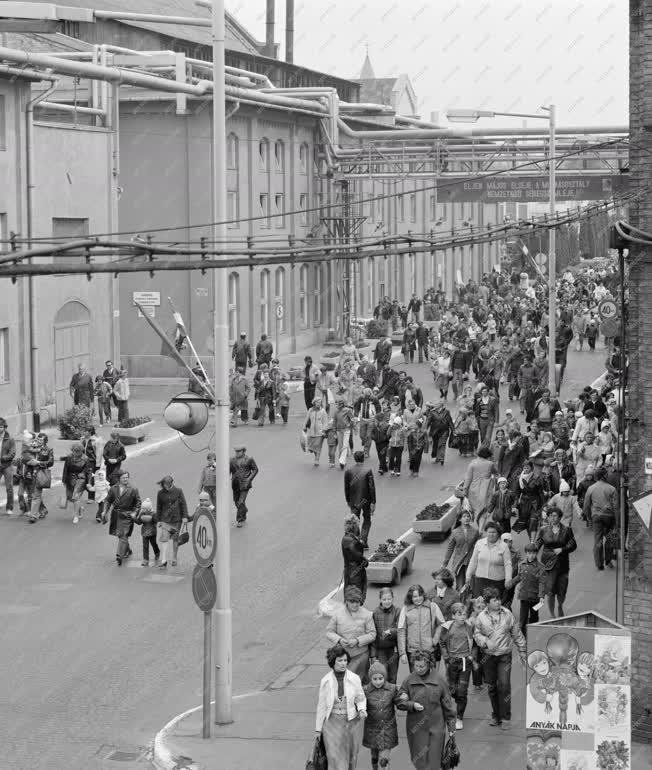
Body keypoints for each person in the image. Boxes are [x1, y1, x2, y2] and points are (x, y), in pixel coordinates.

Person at [472, 586, 526, 731]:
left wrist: (522, 650)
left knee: (504, 685)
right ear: (487, 603)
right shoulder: (481, 617)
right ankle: (496, 715)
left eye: (499, 599)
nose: (498, 602)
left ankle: (506, 717)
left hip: (504, 656)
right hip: (488, 657)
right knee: (492, 687)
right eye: (495, 600)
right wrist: (484, 641)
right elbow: (476, 634)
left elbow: (517, 633)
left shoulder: (508, 614)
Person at [397, 650, 457, 770]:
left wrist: (451, 727)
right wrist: (411, 705)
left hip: (437, 727)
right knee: (420, 760)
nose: (418, 669)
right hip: (416, 728)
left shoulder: (440, 680)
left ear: (429, 664)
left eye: (422, 666)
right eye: (416, 666)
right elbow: (399, 701)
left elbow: (448, 705)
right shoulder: (409, 680)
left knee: (434, 760)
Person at [315, 644, 367, 770]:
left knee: (351, 755)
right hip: (331, 723)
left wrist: (361, 709)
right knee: (333, 756)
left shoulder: (354, 678)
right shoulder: (325, 681)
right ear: (333, 662)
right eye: (340, 660)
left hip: (350, 721)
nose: (343, 663)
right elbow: (321, 705)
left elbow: (360, 697)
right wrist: (318, 729)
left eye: (345, 660)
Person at [326, 586, 376, 683]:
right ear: (347, 601)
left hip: (361, 655)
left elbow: (372, 634)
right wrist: (339, 640)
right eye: (352, 602)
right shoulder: (337, 614)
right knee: (345, 682)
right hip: (343, 656)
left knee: (361, 682)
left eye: (357, 602)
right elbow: (329, 632)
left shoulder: (367, 614)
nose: (355, 605)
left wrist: (357, 641)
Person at [534, 507, 577, 617]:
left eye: (555, 516)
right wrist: (532, 554)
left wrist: (562, 549)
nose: (553, 518)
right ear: (548, 517)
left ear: (560, 517)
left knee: (562, 590)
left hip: (562, 564)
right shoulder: (543, 530)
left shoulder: (567, 530)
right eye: (550, 516)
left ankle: (560, 606)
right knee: (550, 591)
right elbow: (537, 544)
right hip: (548, 565)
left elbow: (573, 545)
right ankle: (552, 614)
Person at [440, 602, 474, 731]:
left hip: (465, 661)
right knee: (451, 689)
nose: (463, 617)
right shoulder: (447, 628)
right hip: (452, 661)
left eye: (465, 614)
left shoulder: (469, 627)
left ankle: (459, 717)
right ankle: (455, 702)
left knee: (462, 691)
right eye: (460, 614)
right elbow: (442, 642)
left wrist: (471, 656)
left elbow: (473, 641)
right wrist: (446, 657)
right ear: (453, 615)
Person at [362, 660, 402, 770]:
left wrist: (409, 703)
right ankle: (374, 766)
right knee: (374, 757)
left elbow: (400, 703)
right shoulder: (365, 690)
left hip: (388, 730)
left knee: (384, 760)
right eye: (375, 679)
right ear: (370, 678)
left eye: (381, 678)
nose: (378, 682)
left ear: (385, 677)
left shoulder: (392, 689)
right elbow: (360, 705)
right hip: (372, 730)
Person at [397, 584, 445, 671]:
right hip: (412, 651)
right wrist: (402, 653)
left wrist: (435, 640)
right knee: (415, 679)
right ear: (410, 597)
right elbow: (401, 631)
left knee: (431, 678)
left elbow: (441, 624)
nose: (418, 598)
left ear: (423, 595)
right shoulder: (405, 609)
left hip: (429, 650)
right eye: (415, 596)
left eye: (420, 595)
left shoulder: (432, 606)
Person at [464, 521, 513, 598]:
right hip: (480, 580)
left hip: (497, 581)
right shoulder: (479, 543)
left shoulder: (504, 546)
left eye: (494, 532)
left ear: (498, 533)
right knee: (480, 603)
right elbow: (473, 561)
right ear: (486, 532)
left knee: (494, 603)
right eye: (489, 532)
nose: (491, 534)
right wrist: (468, 576)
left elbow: (508, 564)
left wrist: (508, 579)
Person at [583, 466, 618, 571]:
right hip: (609, 517)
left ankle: (599, 564)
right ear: (605, 476)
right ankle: (608, 561)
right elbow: (616, 507)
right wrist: (617, 522)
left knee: (598, 540)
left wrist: (589, 517)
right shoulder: (612, 489)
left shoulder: (591, 488)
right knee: (609, 539)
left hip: (596, 517)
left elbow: (586, 506)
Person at [509, 542, 547, 636]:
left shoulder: (541, 567)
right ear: (526, 553)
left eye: (533, 553)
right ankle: (523, 637)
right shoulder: (522, 564)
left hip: (535, 597)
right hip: (524, 596)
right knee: (523, 619)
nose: (531, 555)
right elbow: (519, 576)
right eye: (529, 553)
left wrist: (541, 596)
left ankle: (533, 635)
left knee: (534, 617)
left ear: (536, 554)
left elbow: (542, 582)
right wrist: (511, 583)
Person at [106, 470, 141, 566]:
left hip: (127, 515)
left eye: (127, 477)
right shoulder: (113, 488)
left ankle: (119, 556)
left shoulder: (133, 489)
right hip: (116, 515)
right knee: (121, 536)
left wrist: (134, 513)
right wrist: (104, 512)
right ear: (119, 479)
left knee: (122, 535)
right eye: (123, 478)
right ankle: (127, 550)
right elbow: (108, 501)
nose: (126, 479)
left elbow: (138, 503)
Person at [344, 451, 376, 550]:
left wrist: (348, 501)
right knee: (367, 520)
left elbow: (346, 487)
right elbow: (371, 487)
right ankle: (363, 540)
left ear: (354, 458)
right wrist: (373, 502)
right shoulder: (368, 471)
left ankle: (355, 541)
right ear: (363, 458)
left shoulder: (348, 471)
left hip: (354, 501)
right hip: (366, 500)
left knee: (354, 521)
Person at [442, 509, 480, 591]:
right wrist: (445, 563)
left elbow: (478, 546)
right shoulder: (455, 532)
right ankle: (460, 602)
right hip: (459, 562)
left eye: (468, 516)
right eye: (464, 517)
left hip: (471, 561)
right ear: (460, 519)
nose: (466, 518)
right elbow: (450, 548)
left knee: (470, 586)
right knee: (460, 586)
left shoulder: (475, 532)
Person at [156, 475, 189, 568]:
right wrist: (158, 520)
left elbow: (183, 504)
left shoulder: (178, 491)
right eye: (163, 484)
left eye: (166, 484)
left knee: (175, 538)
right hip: (165, 519)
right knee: (164, 538)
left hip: (176, 519)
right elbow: (158, 507)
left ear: (171, 483)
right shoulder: (160, 493)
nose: (164, 486)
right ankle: (163, 559)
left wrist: (185, 517)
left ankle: (174, 557)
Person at [370, 588, 401, 685]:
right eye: (384, 599)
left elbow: (400, 629)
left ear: (393, 598)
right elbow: (372, 634)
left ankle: (392, 696)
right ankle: (383, 697)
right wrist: (373, 655)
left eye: (389, 599)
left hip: (393, 649)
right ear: (380, 599)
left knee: (393, 675)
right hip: (381, 650)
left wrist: (391, 631)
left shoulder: (397, 611)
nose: (387, 602)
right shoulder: (375, 612)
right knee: (382, 673)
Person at [463, 446, 497, 520]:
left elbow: (468, 478)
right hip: (486, 488)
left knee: (475, 508)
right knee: (483, 509)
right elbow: (495, 472)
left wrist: (465, 490)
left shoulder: (472, 464)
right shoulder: (490, 464)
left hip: (473, 488)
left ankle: (476, 521)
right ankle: (480, 525)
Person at [62, 443, 92, 524]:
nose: (75, 453)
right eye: (74, 451)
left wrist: (89, 482)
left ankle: (75, 516)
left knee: (76, 497)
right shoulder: (69, 457)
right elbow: (65, 469)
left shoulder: (85, 458)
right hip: (70, 478)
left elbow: (89, 471)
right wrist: (64, 480)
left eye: (78, 451)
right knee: (70, 497)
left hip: (80, 479)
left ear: (81, 451)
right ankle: (80, 507)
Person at [229, 445, 258, 527]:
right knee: (236, 501)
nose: (237, 453)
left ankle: (240, 520)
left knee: (241, 502)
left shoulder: (249, 459)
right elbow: (228, 471)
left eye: (239, 451)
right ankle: (244, 510)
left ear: (243, 451)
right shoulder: (231, 460)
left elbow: (255, 470)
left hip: (245, 484)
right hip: (235, 484)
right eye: (236, 451)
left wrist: (249, 479)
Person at [342, 516, 368, 603]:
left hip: (348, 570)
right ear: (355, 527)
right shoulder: (352, 541)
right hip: (356, 572)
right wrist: (365, 562)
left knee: (349, 594)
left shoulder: (345, 538)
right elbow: (357, 556)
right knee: (356, 596)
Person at [354, 388, 381, 459]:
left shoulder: (374, 399)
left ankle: (366, 452)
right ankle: (364, 441)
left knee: (368, 436)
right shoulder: (361, 398)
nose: (366, 396)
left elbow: (378, 409)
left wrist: (377, 418)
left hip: (371, 420)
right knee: (362, 435)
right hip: (362, 419)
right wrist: (356, 416)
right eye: (365, 394)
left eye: (367, 394)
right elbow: (357, 407)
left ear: (370, 393)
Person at [427, 401, 454, 465]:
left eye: (437, 404)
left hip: (444, 431)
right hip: (434, 431)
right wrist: (424, 429)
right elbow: (428, 421)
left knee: (442, 444)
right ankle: (437, 457)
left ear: (441, 406)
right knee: (436, 445)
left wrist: (453, 430)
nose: (435, 405)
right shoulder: (432, 412)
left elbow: (450, 421)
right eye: (435, 404)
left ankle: (441, 458)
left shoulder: (446, 412)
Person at [304, 396, 329, 467]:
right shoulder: (310, 410)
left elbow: (325, 422)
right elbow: (306, 419)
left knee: (318, 446)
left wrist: (324, 430)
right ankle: (316, 456)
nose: (319, 404)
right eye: (317, 402)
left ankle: (317, 459)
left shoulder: (323, 411)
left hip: (320, 432)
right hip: (311, 432)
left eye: (320, 402)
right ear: (314, 402)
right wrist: (304, 426)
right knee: (312, 448)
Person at [0, 417, 16, 515]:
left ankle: (9, 508)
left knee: (9, 488)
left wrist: (3, 458)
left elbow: (13, 453)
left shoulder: (10, 439)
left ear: (5, 427)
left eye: (1, 426)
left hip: (7, 466)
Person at [137, 497, 159, 566]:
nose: (143, 510)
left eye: (144, 509)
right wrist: (134, 518)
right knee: (145, 546)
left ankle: (157, 552)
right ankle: (145, 560)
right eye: (142, 508)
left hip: (152, 532)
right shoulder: (142, 513)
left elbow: (156, 522)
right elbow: (139, 522)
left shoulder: (153, 514)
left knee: (153, 544)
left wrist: (153, 520)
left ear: (148, 509)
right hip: (144, 532)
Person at [371, 410, 390, 476]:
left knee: (382, 455)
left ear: (380, 419)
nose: (375, 420)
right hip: (377, 443)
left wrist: (385, 439)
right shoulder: (375, 425)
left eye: (376, 419)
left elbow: (388, 435)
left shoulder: (387, 425)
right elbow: (372, 433)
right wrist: (374, 438)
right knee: (379, 455)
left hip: (384, 443)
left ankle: (381, 468)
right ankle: (385, 467)